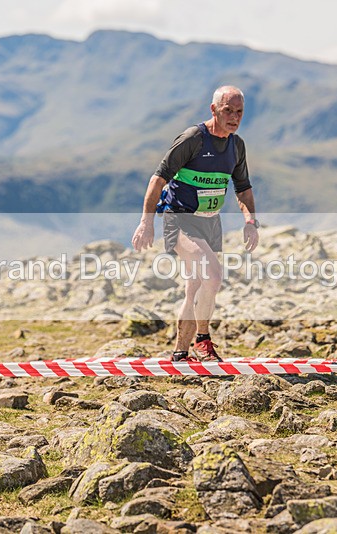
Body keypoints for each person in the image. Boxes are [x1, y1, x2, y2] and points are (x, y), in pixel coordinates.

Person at [131, 85, 259, 362]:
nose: (234, 117)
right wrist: (146, 223)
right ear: (213, 110)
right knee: (212, 274)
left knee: (195, 287)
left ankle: (180, 352)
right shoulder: (193, 139)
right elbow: (158, 178)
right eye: (228, 111)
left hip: (210, 223)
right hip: (180, 219)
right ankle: (203, 339)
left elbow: (244, 188)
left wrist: (250, 221)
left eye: (239, 112)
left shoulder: (237, 146)